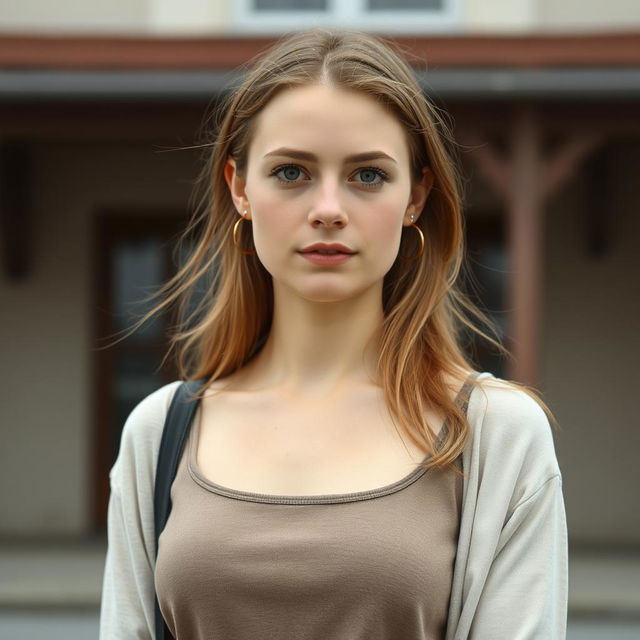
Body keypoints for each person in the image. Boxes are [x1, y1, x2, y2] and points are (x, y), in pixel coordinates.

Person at [99, 28, 567, 640]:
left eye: (367, 175)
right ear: (240, 188)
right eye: (291, 171)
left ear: (416, 196)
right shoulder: (160, 432)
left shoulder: (497, 436)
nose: (327, 207)